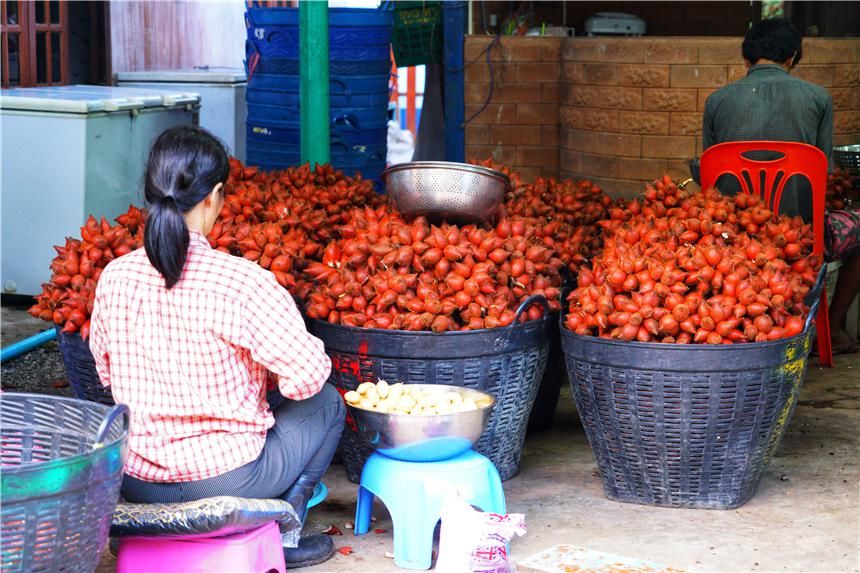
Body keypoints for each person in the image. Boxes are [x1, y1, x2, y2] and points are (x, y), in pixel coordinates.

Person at [89, 125, 346, 567]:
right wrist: (259, 389)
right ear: (215, 196)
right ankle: (285, 533)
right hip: (227, 479)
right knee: (327, 402)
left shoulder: (115, 276)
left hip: (137, 478)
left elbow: (106, 375)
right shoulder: (243, 282)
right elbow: (308, 378)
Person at [702, 18, 859, 353]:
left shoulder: (716, 101)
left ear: (746, 58)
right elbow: (823, 170)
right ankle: (829, 328)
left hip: (733, 236)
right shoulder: (818, 98)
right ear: (792, 58)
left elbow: (709, 179)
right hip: (802, 237)